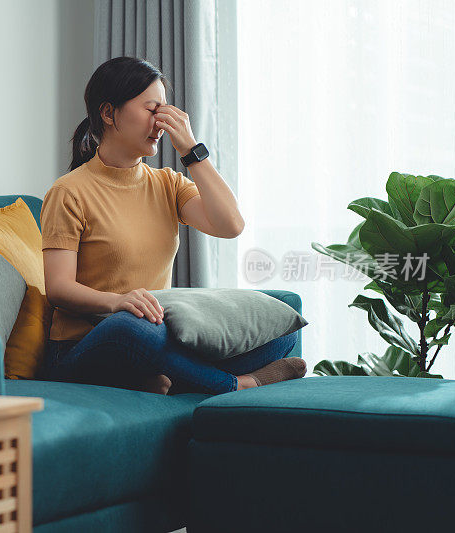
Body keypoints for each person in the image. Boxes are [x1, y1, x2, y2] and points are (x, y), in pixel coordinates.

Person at [39, 56, 306, 395]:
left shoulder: (168, 184)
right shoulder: (69, 192)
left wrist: (192, 150)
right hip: (87, 344)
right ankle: (235, 384)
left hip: (157, 332)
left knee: (283, 326)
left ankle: (162, 376)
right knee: (134, 329)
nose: (162, 123)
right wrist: (117, 302)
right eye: (152, 110)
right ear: (108, 114)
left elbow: (231, 225)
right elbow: (59, 288)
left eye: (166, 111)